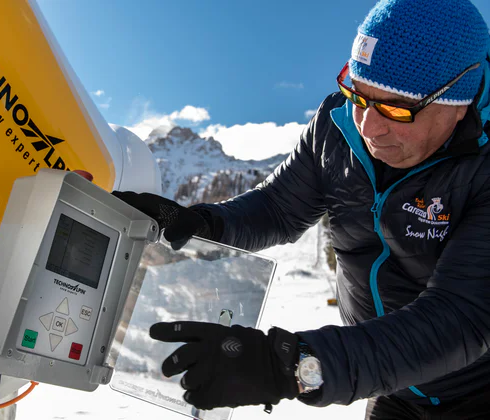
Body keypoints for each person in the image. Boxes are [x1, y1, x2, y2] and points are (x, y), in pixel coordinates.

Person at [114, 0, 490, 418]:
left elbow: (461, 317)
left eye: (395, 109)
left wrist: (289, 365)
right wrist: (203, 222)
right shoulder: (337, 126)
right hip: (389, 390)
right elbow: (278, 209)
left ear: (459, 103)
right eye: (358, 94)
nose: (368, 126)